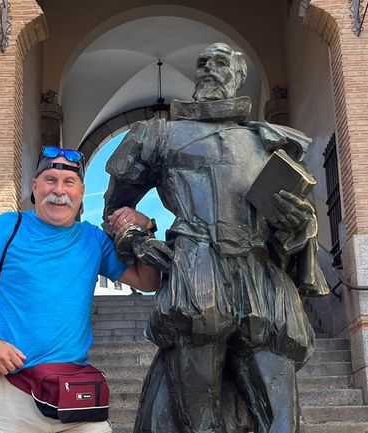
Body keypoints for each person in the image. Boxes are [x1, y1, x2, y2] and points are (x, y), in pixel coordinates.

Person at [104, 43, 329, 433]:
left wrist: (296, 226)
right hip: (197, 274)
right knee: (196, 417)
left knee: (279, 415)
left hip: (262, 279)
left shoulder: (271, 141)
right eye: (202, 63)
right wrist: (138, 232)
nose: (208, 68)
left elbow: (293, 227)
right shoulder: (157, 136)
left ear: (239, 75)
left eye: (220, 62)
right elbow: (115, 211)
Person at [0, 146, 160, 433]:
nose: (59, 190)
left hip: (73, 393)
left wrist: (146, 228)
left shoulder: (92, 239)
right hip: (10, 391)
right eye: (50, 180)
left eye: (69, 182)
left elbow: (148, 281)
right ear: (35, 187)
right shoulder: (9, 226)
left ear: (81, 192)